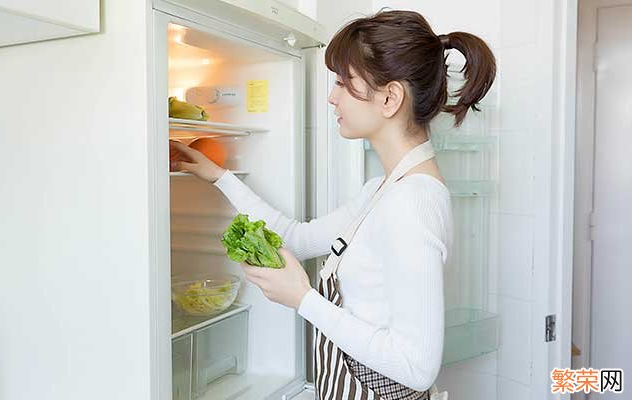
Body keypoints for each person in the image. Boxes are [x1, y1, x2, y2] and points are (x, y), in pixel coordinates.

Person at [172, 9, 495, 400]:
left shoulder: (413, 201)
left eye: (344, 82)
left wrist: (303, 298)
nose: (332, 95)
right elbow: (296, 238)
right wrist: (221, 177)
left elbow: (417, 366)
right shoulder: (385, 188)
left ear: (390, 98)